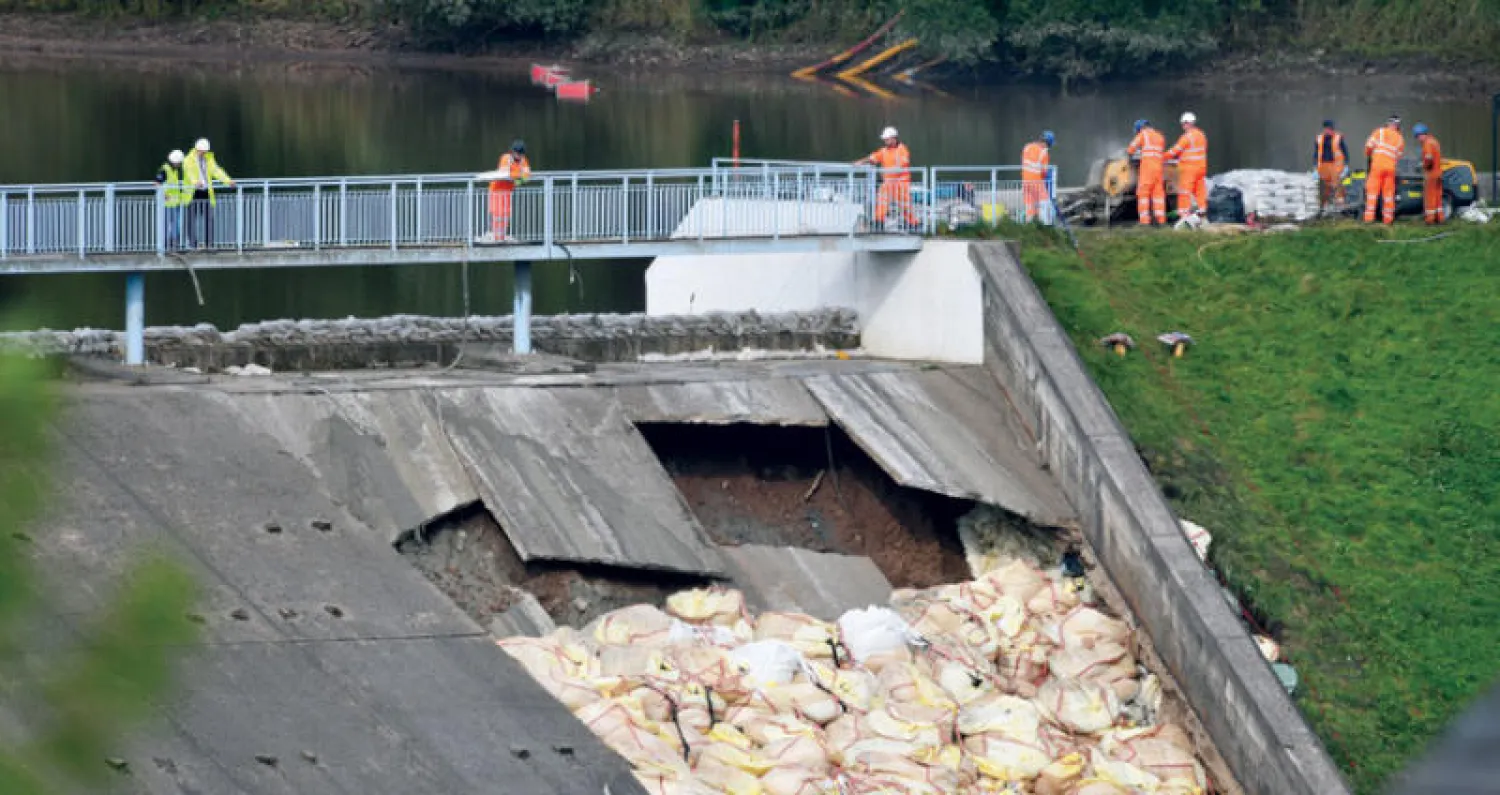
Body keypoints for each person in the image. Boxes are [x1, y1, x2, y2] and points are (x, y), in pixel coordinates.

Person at [854, 126, 919, 230]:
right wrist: (861, 161)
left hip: (900, 183)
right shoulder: (884, 151)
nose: (885, 141)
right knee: (881, 202)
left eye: (887, 139)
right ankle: (879, 222)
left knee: (905, 205)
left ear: (894, 138)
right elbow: (873, 157)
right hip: (888, 183)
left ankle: (913, 224)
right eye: (885, 139)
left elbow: (902, 164)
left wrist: (890, 171)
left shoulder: (902, 150)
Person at [182, 138, 234, 249]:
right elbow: (189, 172)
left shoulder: (209, 159)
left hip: (206, 192)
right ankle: (192, 244)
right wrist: (195, 182)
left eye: (205, 151)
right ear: (197, 149)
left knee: (209, 218)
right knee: (191, 219)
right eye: (202, 151)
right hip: (193, 193)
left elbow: (216, 171)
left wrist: (228, 180)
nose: (203, 153)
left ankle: (209, 244)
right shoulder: (188, 160)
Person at [1363, 115, 1404, 226]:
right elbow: (1398, 157)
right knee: (1388, 194)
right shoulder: (1400, 138)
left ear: (1387, 123)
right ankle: (1388, 220)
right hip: (1390, 169)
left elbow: (1368, 146)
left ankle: (1369, 219)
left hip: (1377, 166)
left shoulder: (1379, 132)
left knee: (1372, 192)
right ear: (1398, 126)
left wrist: (1369, 155)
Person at [1165, 112, 1208, 217]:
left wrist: (1161, 157)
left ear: (1187, 123)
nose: (1182, 126)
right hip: (1201, 167)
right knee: (1200, 190)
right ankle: (1203, 210)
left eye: (1183, 124)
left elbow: (1174, 151)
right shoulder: (1201, 135)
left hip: (1189, 169)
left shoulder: (1187, 137)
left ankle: (1184, 214)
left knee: (1184, 191)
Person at [488, 139, 532, 241]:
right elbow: (505, 174)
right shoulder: (505, 158)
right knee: (498, 214)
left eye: (521, 153)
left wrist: (517, 181)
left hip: (507, 191)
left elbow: (527, 176)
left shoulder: (523, 160)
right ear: (512, 151)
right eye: (517, 153)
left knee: (506, 214)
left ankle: (501, 237)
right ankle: (496, 237)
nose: (519, 156)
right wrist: (518, 176)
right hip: (496, 190)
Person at [1126, 119, 1166, 226]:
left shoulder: (1143, 134)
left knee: (1143, 194)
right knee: (1158, 195)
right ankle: (1160, 220)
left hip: (1148, 168)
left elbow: (1131, 148)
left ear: (1140, 128)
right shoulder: (1159, 136)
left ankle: (1144, 222)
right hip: (1158, 169)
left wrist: (1129, 155)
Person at [154, 149, 188, 251]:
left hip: (176, 203)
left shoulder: (175, 171)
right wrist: (163, 195)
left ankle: (174, 245)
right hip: (166, 204)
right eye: (179, 162)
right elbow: (157, 183)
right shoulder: (164, 170)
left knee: (176, 225)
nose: (180, 164)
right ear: (175, 162)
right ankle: (165, 245)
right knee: (166, 225)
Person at [1314, 120, 1350, 214]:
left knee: (1337, 184)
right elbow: (1316, 153)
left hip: (1335, 165)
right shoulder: (1319, 138)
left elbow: (1345, 151)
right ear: (1324, 129)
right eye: (1327, 128)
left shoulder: (1338, 138)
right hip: (1323, 166)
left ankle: (1340, 207)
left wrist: (1346, 164)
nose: (1329, 130)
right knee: (1323, 187)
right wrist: (1314, 167)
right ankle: (1323, 207)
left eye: (1330, 129)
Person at [1415, 123, 1445, 225]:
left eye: (1418, 136)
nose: (1418, 139)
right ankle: (1439, 218)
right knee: (1438, 196)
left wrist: (1422, 166)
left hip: (1431, 173)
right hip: (1439, 172)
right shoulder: (1435, 141)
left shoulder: (1427, 143)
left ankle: (1430, 220)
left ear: (1422, 134)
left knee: (1430, 196)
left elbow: (1428, 158)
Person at [1021, 131, 1055, 223]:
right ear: (1048, 143)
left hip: (1025, 182)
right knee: (1044, 203)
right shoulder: (1044, 152)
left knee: (1029, 206)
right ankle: (1044, 226)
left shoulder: (1027, 147)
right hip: (1036, 182)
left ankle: (1029, 226)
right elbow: (1044, 172)